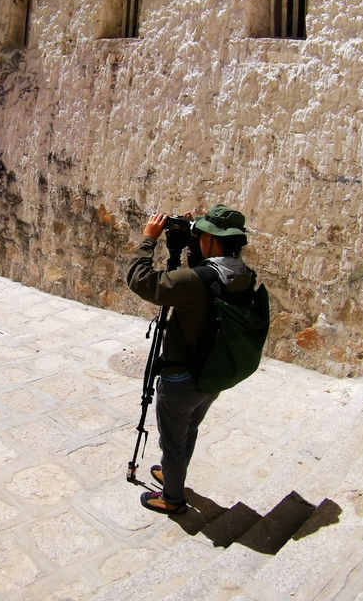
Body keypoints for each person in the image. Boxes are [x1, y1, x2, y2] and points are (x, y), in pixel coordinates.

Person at [126, 204, 254, 515]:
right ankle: (174, 472)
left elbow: (140, 280)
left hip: (181, 378)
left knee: (172, 440)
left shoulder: (193, 282)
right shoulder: (242, 274)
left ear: (211, 238)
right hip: (212, 374)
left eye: (202, 234)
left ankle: (172, 497)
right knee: (188, 430)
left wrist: (149, 239)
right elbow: (204, 279)